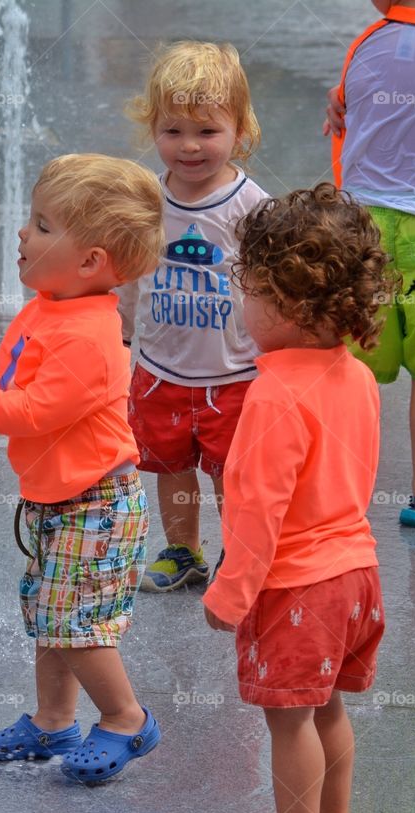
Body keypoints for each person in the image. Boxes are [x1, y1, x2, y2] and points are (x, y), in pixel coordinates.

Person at [0, 154, 164, 784]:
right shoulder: (48, 309)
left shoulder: (90, 339)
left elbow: (36, 411)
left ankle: (126, 718)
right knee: (52, 613)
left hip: (97, 504)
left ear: (92, 261)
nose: (21, 233)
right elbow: (13, 384)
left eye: (42, 226)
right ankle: (51, 721)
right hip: (64, 499)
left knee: (76, 623)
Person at [203, 183, 392, 813]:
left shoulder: (273, 394)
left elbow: (258, 510)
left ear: (287, 305)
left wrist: (230, 594)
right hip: (357, 578)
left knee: (289, 725)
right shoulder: (358, 376)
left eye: (251, 292)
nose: (243, 305)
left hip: (299, 589)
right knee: (328, 708)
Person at [116, 41, 269, 592]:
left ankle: (237, 552)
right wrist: (123, 328)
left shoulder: (250, 205)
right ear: (152, 128)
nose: (189, 146)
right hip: (161, 367)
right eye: (173, 130)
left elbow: (271, 281)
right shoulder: (147, 198)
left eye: (207, 131)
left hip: (234, 371)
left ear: (239, 130)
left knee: (234, 472)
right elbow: (134, 270)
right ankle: (183, 549)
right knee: (172, 465)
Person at [324, 0, 415, 527]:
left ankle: (338, 493)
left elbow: (347, 108)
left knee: (354, 370)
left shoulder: (366, 42)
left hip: (363, 230)